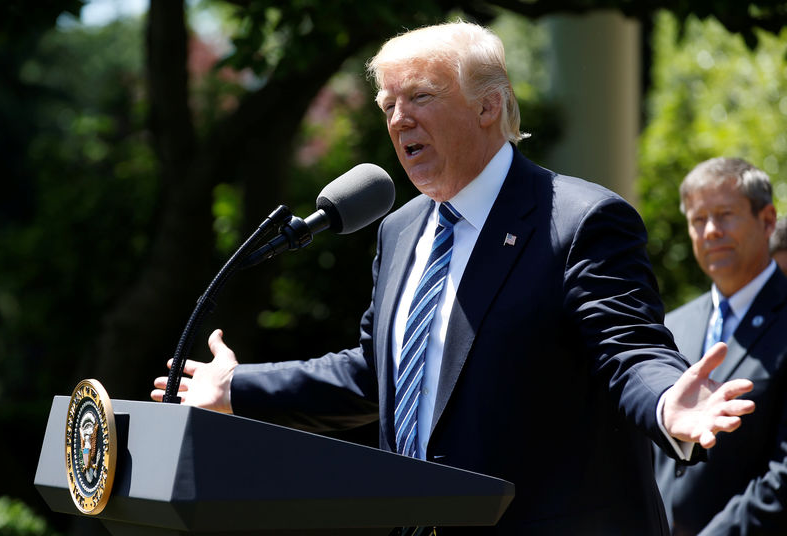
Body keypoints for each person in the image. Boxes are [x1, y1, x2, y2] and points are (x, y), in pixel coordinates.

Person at [152, 22, 755, 535]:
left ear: (489, 106)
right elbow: (379, 373)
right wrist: (238, 389)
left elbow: (630, 349)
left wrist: (668, 399)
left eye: (419, 97)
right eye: (388, 105)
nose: (398, 119)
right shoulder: (399, 231)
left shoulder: (578, 220)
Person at [654, 157, 787, 536]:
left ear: (767, 220)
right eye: (698, 220)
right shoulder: (671, 326)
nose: (710, 231)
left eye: (725, 215)